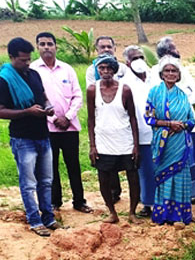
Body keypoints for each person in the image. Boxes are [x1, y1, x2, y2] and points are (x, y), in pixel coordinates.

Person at [0, 37, 57, 236]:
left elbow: (43, 97)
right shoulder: (5, 80)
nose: (27, 63)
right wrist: (27, 112)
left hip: (43, 134)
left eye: (29, 59)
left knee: (46, 180)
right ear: (11, 57)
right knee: (29, 183)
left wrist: (48, 107)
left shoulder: (34, 74)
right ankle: (34, 220)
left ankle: (49, 217)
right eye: (23, 60)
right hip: (23, 138)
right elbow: (0, 111)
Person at [31, 31, 91, 214]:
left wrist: (68, 117)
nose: (46, 47)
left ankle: (79, 201)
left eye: (50, 44)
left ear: (56, 47)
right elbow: (34, 98)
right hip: (47, 127)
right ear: (37, 47)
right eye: (42, 44)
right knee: (50, 166)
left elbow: (77, 95)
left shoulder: (67, 69)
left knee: (74, 165)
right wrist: (53, 118)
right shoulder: (33, 70)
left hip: (69, 127)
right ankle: (55, 201)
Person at [150, 36, 195, 203]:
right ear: (167, 52)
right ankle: (171, 196)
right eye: (174, 48)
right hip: (166, 130)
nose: (178, 51)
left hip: (186, 126)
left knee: (189, 160)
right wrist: (170, 120)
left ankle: (194, 194)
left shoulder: (182, 70)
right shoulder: (154, 72)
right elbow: (154, 101)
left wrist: (180, 106)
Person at [87, 54, 140, 224]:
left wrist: (136, 145)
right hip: (103, 142)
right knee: (104, 178)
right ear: (97, 70)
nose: (105, 71)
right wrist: (93, 146)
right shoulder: (92, 90)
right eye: (101, 68)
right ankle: (112, 212)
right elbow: (91, 119)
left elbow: (133, 118)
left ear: (114, 70)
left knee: (133, 177)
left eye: (109, 68)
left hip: (125, 141)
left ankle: (132, 212)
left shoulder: (125, 90)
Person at [144, 57, 195, 226]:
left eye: (174, 71)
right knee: (164, 176)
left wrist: (182, 125)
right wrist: (169, 124)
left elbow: (191, 120)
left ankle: (181, 214)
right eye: (167, 71)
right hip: (163, 145)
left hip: (180, 143)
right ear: (161, 74)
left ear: (178, 74)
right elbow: (149, 118)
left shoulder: (182, 95)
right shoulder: (154, 93)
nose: (170, 74)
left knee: (181, 175)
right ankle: (164, 213)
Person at [121, 45, 155, 219]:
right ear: (127, 63)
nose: (139, 61)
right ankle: (147, 203)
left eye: (141, 57)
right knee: (145, 171)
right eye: (135, 58)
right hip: (140, 134)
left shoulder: (154, 76)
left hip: (161, 132)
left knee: (161, 168)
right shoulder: (125, 84)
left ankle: (163, 202)